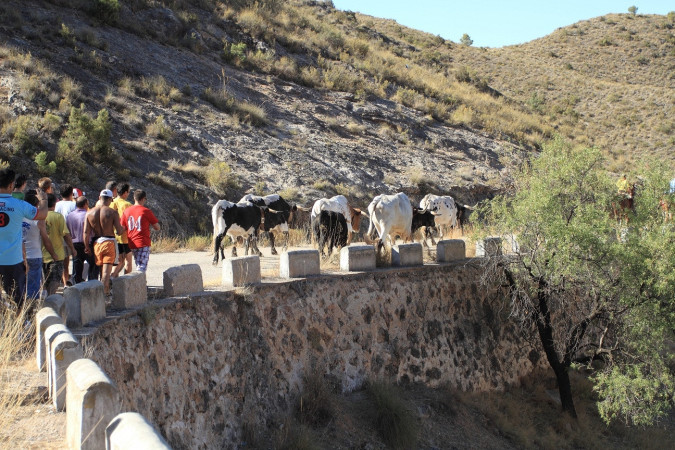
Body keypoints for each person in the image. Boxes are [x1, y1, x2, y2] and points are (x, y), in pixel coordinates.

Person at [0, 168, 48, 308]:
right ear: (11, 185)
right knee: (16, 299)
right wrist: (43, 199)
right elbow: (43, 214)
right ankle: (18, 327)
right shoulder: (19, 205)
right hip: (13, 261)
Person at [84, 189, 124, 297]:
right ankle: (104, 294)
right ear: (111, 199)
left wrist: (86, 246)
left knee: (99, 270)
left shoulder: (89, 212)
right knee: (106, 273)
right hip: (109, 242)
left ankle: (98, 294)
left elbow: (86, 232)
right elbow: (119, 231)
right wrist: (124, 228)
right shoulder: (112, 212)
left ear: (99, 198)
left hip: (96, 243)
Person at [41, 194, 76, 296]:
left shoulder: (38, 216)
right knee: (55, 280)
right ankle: (50, 299)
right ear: (54, 204)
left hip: (41, 254)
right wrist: (72, 249)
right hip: (56, 255)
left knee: (43, 281)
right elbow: (66, 235)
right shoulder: (58, 217)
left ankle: (45, 298)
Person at [23, 191, 54, 301]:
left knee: (21, 287)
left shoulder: (18, 216)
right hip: (34, 256)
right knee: (33, 289)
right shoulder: (38, 220)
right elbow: (46, 240)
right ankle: (30, 312)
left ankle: (21, 311)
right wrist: (54, 255)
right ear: (36, 205)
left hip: (19, 256)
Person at [121, 190, 160, 273]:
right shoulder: (146, 211)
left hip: (131, 242)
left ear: (134, 198)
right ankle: (139, 284)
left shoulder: (127, 211)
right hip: (143, 242)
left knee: (138, 263)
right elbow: (157, 227)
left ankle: (141, 283)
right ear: (143, 199)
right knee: (141, 266)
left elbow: (122, 228)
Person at [66, 196, 92, 284]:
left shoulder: (70, 215)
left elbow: (67, 231)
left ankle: (76, 285)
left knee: (77, 266)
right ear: (85, 204)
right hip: (87, 243)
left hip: (74, 243)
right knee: (92, 264)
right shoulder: (89, 214)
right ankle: (92, 284)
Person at [55, 185, 77, 286]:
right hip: (70, 235)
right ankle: (68, 282)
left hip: (57, 235)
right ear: (71, 193)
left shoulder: (56, 204)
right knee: (70, 260)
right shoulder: (74, 205)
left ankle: (63, 282)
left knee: (62, 261)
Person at [111, 183, 133, 277]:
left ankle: (113, 281)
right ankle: (126, 283)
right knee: (128, 261)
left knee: (118, 261)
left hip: (112, 236)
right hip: (125, 237)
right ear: (125, 193)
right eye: (128, 192)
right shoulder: (127, 205)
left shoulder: (111, 202)